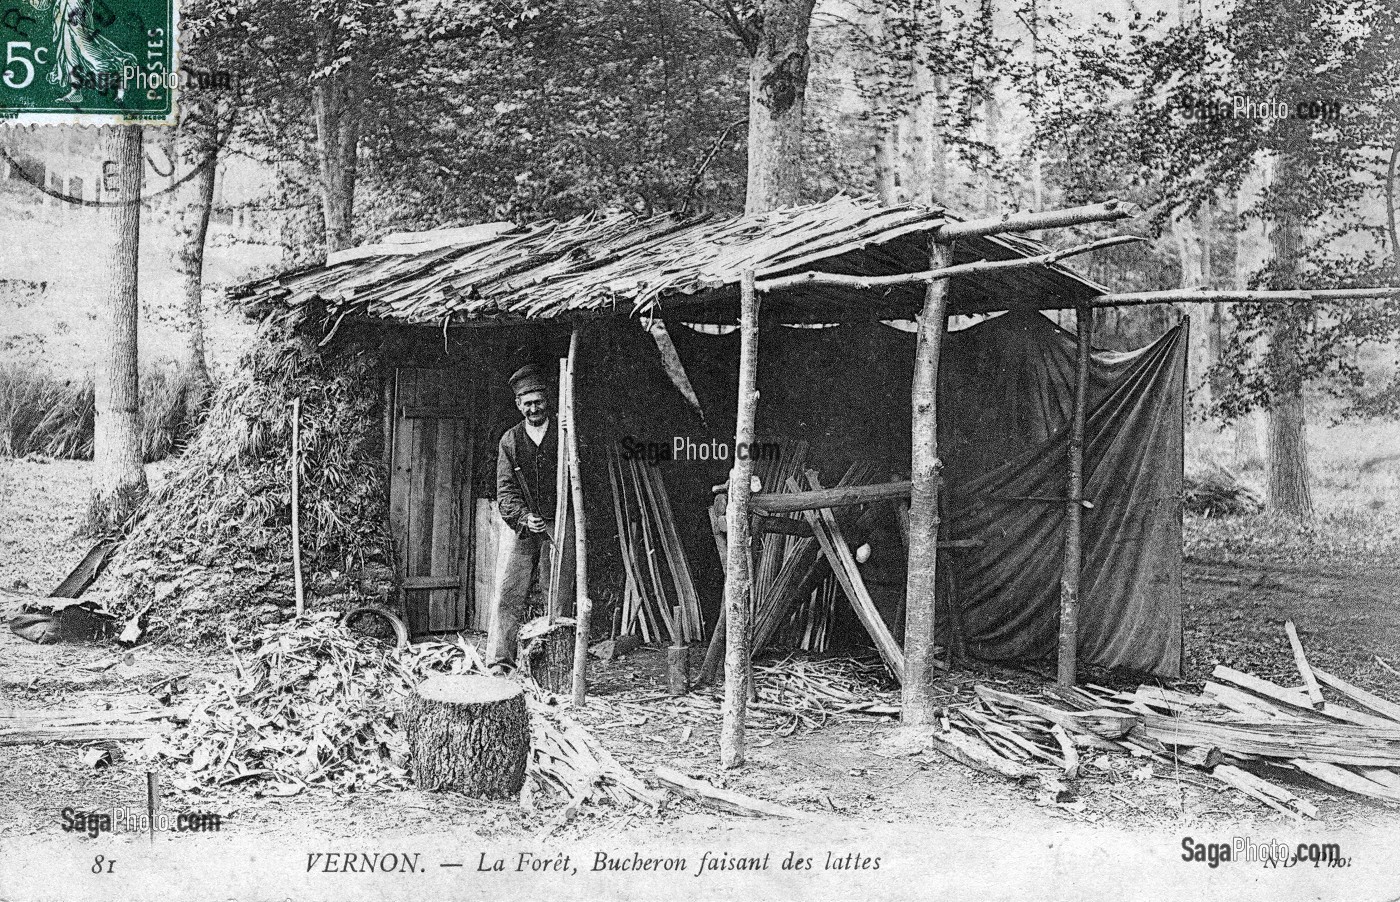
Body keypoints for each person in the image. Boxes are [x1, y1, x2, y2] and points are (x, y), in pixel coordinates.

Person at [486, 364, 575, 673]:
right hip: (523, 526)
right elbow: (505, 489)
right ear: (518, 405)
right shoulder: (510, 441)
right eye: (528, 403)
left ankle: (554, 661)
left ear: (547, 400)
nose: (534, 408)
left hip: (561, 520)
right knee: (510, 590)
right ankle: (501, 659)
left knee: (559, 592)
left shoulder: (566, 432)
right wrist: (523, 517)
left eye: (538, 401)